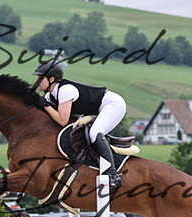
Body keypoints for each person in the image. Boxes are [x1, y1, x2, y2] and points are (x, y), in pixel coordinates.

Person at [33, 59, 127, 188]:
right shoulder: (51, 96)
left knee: (95, 133)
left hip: (113, 105)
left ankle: (113, 174)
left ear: (52, 79)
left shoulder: (65, 90)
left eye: (40, 78)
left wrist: (45, 106)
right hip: (98, 109)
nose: (37, 82)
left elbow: (62, 120)